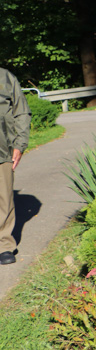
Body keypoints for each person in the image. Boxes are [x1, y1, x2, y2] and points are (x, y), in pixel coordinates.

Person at [0, 68, 31, 265]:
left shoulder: (5, 77)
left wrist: (19, 144)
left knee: (4, 199)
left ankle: (4, 245)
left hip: (2, 149)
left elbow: (21, 111)